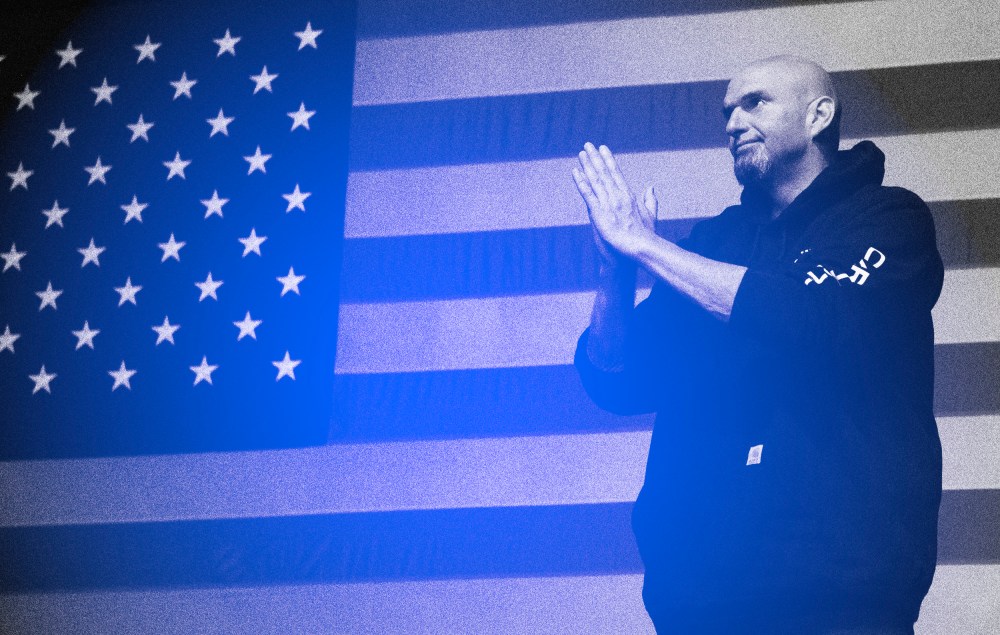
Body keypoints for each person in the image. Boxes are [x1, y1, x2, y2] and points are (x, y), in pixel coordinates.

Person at [571, 55, 944, 634]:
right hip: (696, 605)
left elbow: (802, 316)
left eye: (755, 102)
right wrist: (616, 274)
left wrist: (645, 247)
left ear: (819, 115)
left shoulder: (888, 222)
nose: (732, 122)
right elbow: (618, 377)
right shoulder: (714, 243)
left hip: (840, 599)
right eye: (727, 110)